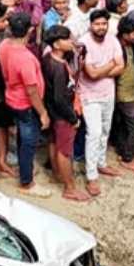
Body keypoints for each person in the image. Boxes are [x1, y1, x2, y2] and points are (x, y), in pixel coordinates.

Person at [0, 12, 51, 198]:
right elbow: (32, 91)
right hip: (26, 104)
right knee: (28, 142)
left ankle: (25, 169)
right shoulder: (25, 58)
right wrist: (43, 112)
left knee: (22, 138)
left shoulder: (4, 45)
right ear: (30, 30)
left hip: (12, 97)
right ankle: (27, 182)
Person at [41, 24, 90, 201]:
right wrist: (73, 118)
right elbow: (60, 99)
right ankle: (69, 187)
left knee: (54, 143)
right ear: (56, 44)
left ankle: (56, 174)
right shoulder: (58, 68)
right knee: (65, 151)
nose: (70, 42)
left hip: (53, 112)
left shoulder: (48, 59)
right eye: (66, 39)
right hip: (63, 113)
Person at [78, 9, 124, 196]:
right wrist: (111, 65)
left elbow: (121, 66)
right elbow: (91, 74)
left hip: (108, 94)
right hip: (89, 96)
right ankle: (91, 176)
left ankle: (101, 163)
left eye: (104, 23)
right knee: (94, 134)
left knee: (105, 131)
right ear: (90, 25)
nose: (101, 27)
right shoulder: (84, 43)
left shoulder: (113, 40)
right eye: (97, 24)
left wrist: (100, 71)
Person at [114, 15, 134, 173]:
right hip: (125, 95)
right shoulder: (118, 49)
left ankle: (122, 150)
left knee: (124, 126)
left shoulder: (128, 45)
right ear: (125, 35)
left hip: (130, 92)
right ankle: (127, 157)